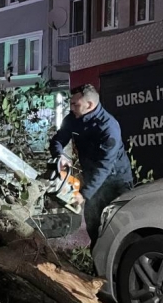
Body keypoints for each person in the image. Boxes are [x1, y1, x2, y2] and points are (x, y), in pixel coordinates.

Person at [49, 84, 133, 250]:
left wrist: (84, 194)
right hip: (92, 179)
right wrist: (60, 156)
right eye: (71, 103)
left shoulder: (108, 127)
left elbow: (104, 166)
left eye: (76, 104)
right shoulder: (73, 119)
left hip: (116, 183)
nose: (71, 107)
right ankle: (98, 263)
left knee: (119, 228)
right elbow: (58, 140)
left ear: (90, 105)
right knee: (93, 224)